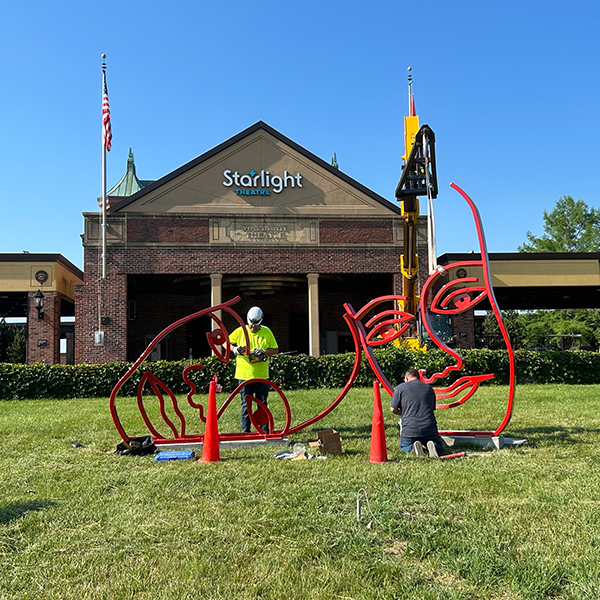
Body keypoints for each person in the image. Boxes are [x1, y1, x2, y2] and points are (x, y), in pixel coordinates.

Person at [230, 306, 278, 433]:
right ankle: (246, 431)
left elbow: (275, 349)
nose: (253, 327)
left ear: (261, 321)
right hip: (244, 375)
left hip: (261, 376)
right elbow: (225, 341)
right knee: (246, 405)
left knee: (262, 403)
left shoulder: (266, 332)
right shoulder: (241, 331)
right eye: (251, 323)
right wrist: (234, 349)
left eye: (256, 324)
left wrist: (264, 352)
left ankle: (264, 430)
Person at [390, 368, 444, 458]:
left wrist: (400, 413)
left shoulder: (401, 388)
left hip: (410, 429)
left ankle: (413, 448)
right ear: (419, 378)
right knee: (440, 446)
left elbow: (393, 409)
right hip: (429, 428)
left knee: (404, 446)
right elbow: (432, 408)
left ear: (406, 378)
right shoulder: (429, 389)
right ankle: (433, 446)